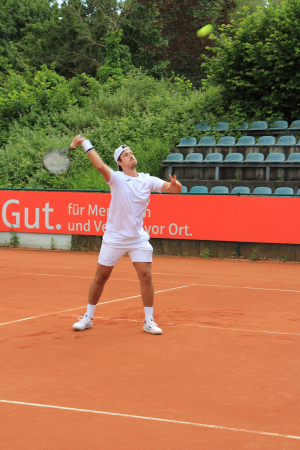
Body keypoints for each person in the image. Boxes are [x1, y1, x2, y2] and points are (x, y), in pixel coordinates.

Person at [71, 135, 182, 335]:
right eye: (126, 155)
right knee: (101, 277)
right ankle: (87, 317)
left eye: (131, 153)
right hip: (114, 237)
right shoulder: (116, 179)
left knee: (146, 276)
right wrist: (85, 143)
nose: (131, 156)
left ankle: (149, 321)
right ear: (119, 162)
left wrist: (176, 187)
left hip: (137, 238)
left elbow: (172, 190)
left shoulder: (148, 180)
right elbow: (100, 165)